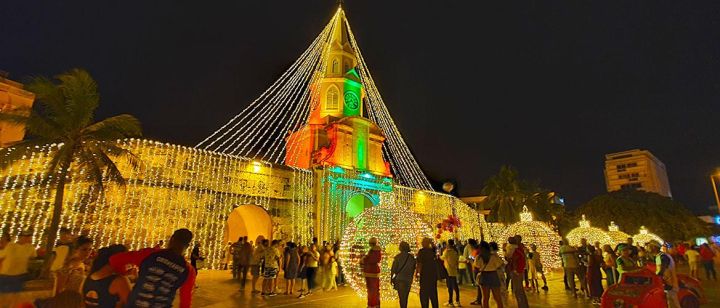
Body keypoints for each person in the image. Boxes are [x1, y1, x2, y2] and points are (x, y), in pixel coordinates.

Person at [109, 228, 196, 308]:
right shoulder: (189, 270)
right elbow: (185, 303)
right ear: (188, 246)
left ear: (172, 239)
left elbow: (114, 259)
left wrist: (124, 273)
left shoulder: (149, 254)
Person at [474, 241, 504, 308]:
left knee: (485, 298)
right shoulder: (493, 257)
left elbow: (476, 267)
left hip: (484, 276)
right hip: (493, 275)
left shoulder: (478, 257)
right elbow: (500, 265)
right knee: (498, 298)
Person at [652, 244, 680, 308]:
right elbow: (663, 268)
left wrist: (658, 275)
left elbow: (662, 268)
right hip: (668, 280)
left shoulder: (663, 256)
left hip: (668, 280)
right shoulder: (664, 256)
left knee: (671, 299)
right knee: (671, 299)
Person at [391, 241, 416, 308]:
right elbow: (413, 268)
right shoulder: (411, 257)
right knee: (406, 297)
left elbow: (393, 269)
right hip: (408, 279)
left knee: (401, 297)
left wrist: (392, 278)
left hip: (400, 279)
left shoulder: (398, 257)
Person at [506, 236, 528, 308]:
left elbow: (513, 259)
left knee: (518, 290)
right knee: (519, 289)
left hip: (517, 271)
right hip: (519, 270)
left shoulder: (517, 249)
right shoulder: (519, 248)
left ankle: (522, 305)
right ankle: (523, 305)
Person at [416, 237, 439, 308]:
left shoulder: (421, 251)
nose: (422, 243)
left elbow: (419, 263)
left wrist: (417, 273)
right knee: (433, 293)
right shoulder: (432, 251)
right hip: (433, 275)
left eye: (423, 242)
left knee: (424, 294)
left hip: (425, 275)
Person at [362, 237, 382, 308]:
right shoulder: (376, 250)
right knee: (375, 289)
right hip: (373, 272)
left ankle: (372, 304)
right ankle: (375, 304)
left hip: (370, 272)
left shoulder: (373, 251)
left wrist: (364, 259)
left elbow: (372, 260)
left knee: (371, 290)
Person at [440, 239, 460, 306]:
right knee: (455, 286)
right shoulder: (455, 251)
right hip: (454, 270)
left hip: (448, 271)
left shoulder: (447, 251)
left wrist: (438, 256)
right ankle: (457, 301)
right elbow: (457, 260)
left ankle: (450, 301)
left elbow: (442, 258)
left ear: (448, 244)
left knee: (450, 287)